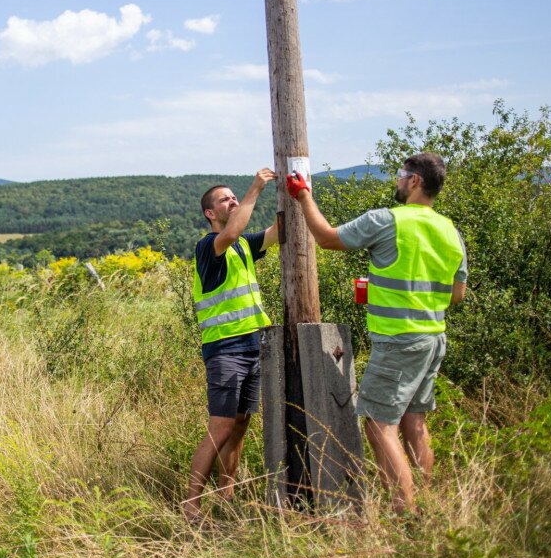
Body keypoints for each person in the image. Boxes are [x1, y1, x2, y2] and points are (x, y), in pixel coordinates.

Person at [285, 152, 467, 513]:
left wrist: (303, 195)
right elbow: (456, 294)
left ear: (415, 181)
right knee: (414, 421)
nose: (398, 180)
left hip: (400, 339)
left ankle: (403, 510)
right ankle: (426, 503)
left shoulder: (387, 220)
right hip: (433, 338)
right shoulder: (451, 230)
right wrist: (399, 289)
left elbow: (326, 238)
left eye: (402, 174)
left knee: (378, 425)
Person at [183, 168, 279, 525]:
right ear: (211, 213)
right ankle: (191, 505)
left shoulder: (240, 245)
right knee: (221, 427)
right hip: (225, 350)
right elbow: (235, 229)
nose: (233, 201)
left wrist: (295, 192)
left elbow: (276, 234)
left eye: (235, 197)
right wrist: (256, 187)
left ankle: (227, 493)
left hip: (253, 345)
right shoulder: (210, 246)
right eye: (226, 199)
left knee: (240, 423)